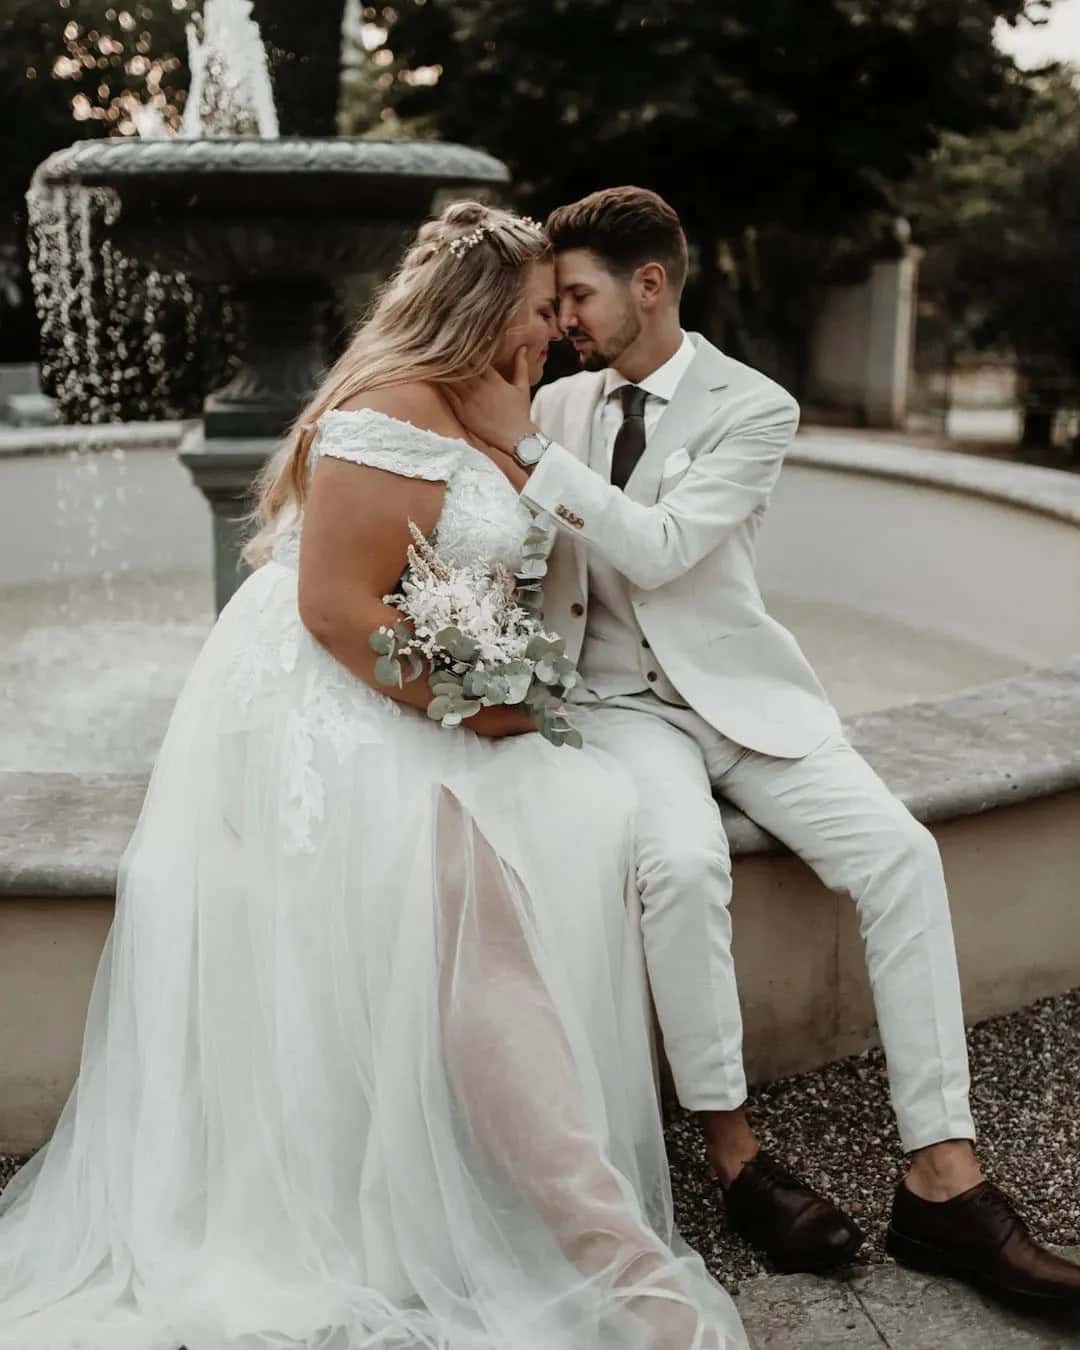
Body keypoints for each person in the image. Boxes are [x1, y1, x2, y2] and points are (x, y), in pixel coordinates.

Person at [0, 203, 748, 1350]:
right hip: (345, 710)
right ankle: (611, 1253)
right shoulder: (385, 413)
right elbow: (339, 609)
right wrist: (486, 701)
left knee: (544, 882)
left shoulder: (504, 410)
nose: (557, 329)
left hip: (447, 695)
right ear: (487, 311)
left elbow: (500, 576)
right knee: (478, 929)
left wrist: (512, 683)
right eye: (543, 308)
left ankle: (579, 1230)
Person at [448, 185, 1080, 1309]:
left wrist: (529, 454)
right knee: (681, 869)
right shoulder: (559, 402)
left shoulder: (755, 407)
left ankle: (943, 1179)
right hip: (618, 709)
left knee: (902, 856)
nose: (567, 321)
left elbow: (664, 548)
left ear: (651, 283)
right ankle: (737, 1158)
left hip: (750, 703)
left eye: (580, 295)